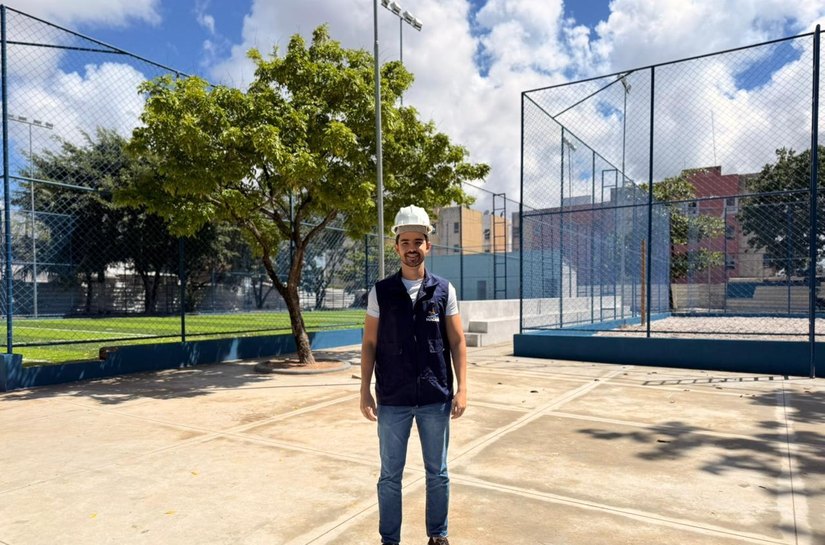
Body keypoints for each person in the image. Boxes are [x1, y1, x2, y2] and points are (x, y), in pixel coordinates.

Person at [360, 204, 468, 545]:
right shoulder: (381, 292)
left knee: (437, 472)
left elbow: (457, 341)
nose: (411, 248)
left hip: (435, 396)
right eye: (405, 241)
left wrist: (463, 388)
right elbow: (370, 343)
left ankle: (438, 535)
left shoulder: (444, 290)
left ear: (427, 246)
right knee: (390, 475)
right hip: (393, 398)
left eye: (417, 241)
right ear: (396, 246)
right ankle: (389, 540)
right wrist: (365, 389)